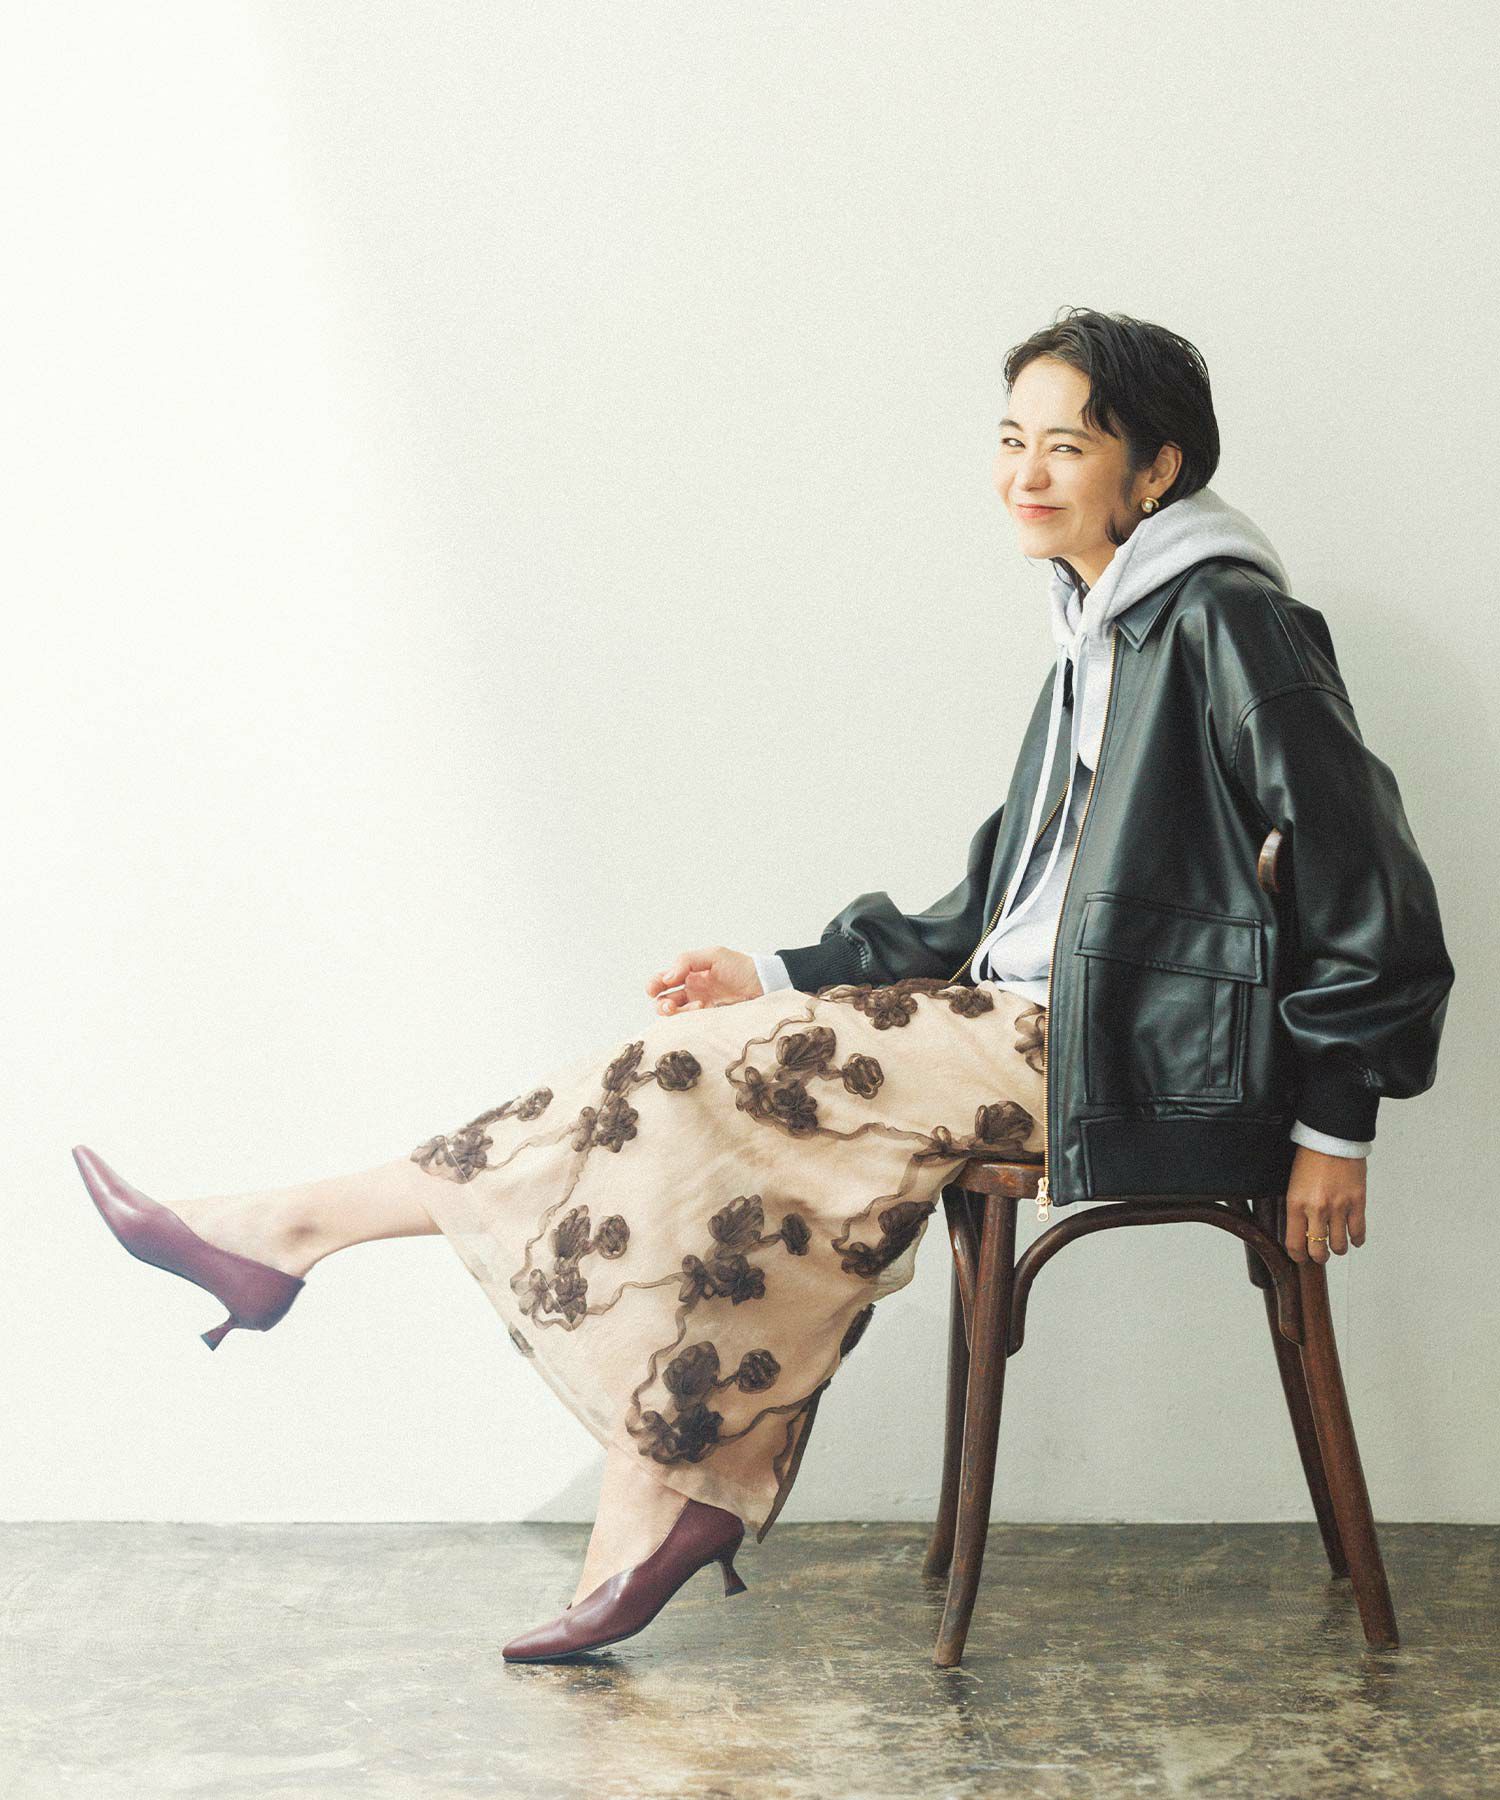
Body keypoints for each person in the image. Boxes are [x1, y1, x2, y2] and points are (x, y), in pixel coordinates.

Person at [71, 307, 1453, 1664]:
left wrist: (1336, 1122)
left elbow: (1370, 880)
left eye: (1067, 447)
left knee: (686, 1077)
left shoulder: (1230, 622)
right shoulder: (1098, 632)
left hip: (1121, 1052)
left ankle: (299, 1235)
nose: (1025, 475)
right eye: (1010, 440)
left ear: (1156, 471)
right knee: (686, 1099)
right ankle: (655, 1491)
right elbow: (988, 905)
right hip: (1019, 1028)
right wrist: (780, 972)